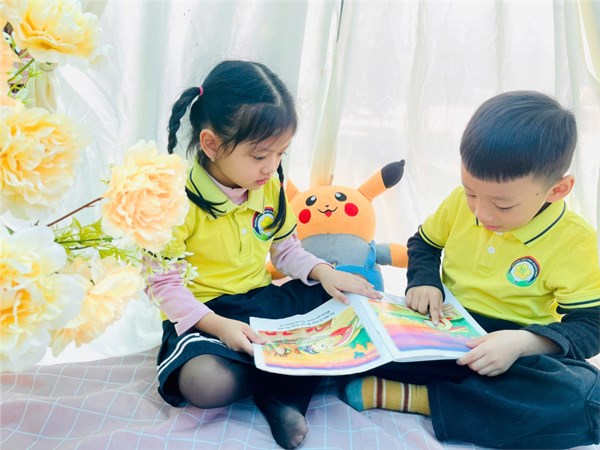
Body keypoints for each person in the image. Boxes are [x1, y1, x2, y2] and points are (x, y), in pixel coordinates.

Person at [344, 91, 600, 449]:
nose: (481, 213)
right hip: (440, 331)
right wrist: (424, 281)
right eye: (471, 193)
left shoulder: (575, 241)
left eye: (503, 205)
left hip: (511, 350)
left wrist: (525, 342)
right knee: (355, 336)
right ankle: (463, 399)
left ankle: (421, 400)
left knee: (587, 396)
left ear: (557, 190)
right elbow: (424, 243)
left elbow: (591, 325)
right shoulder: (459, 204)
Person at [148, 60, 381, 450]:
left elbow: (286, 249)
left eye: (280, 153)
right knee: (205, 382)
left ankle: (278, 384)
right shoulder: (176, 198)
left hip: (263, 304)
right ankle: (287, 386)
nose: (271, 167)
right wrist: (219, 327)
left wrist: (324, 272)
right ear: (211, 144)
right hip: (204, 316)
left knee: (355, 294)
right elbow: (164, 284)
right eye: (260, 156)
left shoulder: (270, 186)